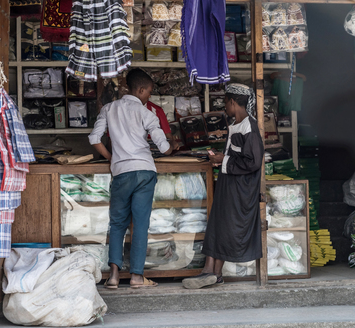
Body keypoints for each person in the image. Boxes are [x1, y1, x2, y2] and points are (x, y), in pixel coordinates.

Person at [89, 68, 178, 289]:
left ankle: (113, 276)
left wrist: (112, 158)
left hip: (121, 172)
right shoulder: (147, 113)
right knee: (139, 225)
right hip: (145, 172)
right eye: (148, 92)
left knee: (117, 224)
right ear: (140, 90)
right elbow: (163, 146)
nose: (149, 97)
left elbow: (94, 138)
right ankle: (137, 277)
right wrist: (172, 146)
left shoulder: (109, 109)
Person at [182, 83, 264, 289]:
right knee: (218, 224)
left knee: (225, 227)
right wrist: (221, 159)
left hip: (240, 189)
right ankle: (211, 272)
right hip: (230, 185)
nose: (224, 107)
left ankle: (212, 272)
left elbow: (253, 162)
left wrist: (223, 159)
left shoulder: (249, 127)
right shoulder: (236, 123)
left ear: (233, 102)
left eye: (225, 102)